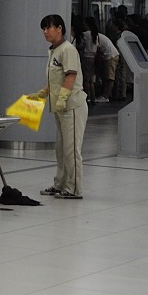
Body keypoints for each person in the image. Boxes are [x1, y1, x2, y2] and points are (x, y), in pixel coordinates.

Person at [37, 12, 88, 200]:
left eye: (48, 27)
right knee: (60, 149)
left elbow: (71, 75)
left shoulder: (68, 49)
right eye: (43, 28)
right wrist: (44, 92)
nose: (45, 31)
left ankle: (74, 188)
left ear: (59, 28)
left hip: (72, 106)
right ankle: (60, 184)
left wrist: (63, 98)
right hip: (60, 108)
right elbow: (56, 78)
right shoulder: (53, 50)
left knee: (71, 149)